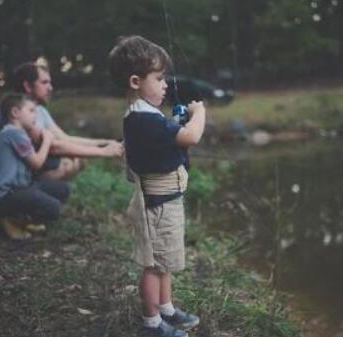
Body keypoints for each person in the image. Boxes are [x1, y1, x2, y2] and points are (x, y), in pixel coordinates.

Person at [108, 35, 206, 337]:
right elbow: (190, 137)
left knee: (163, 262)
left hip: (166, 203)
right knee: (153, 265)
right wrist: (199, 114)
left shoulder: (145, 116)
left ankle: (166, 309)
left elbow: (165, 138)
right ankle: (152, 325)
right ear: (136, 81)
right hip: (159, 207)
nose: (165, 85)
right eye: (159, 78)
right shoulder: (144, 119)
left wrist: (176, 122)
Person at [0, 62, 123, 189]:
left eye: (50, 82)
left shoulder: (37, 109)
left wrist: (104, 142)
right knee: (68, 162)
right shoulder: (20, 112)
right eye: (44, 82)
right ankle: (21, 205)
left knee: (77, 159)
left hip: (12, 171)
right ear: (27, 86)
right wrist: (104, 152)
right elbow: (54, 146)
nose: (50, 87)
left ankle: (31, 202)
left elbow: (65, 138)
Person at [0, 93, 70, 240]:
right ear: (15, 113)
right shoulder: (13, 133)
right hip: (5, 195)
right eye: (31, 111)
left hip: (20, 189)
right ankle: (11, 219)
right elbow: (37, 163)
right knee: (54, 208)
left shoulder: (18, 133)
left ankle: (22, 215)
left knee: (63, 189)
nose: (35, 116)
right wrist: (47, 140)